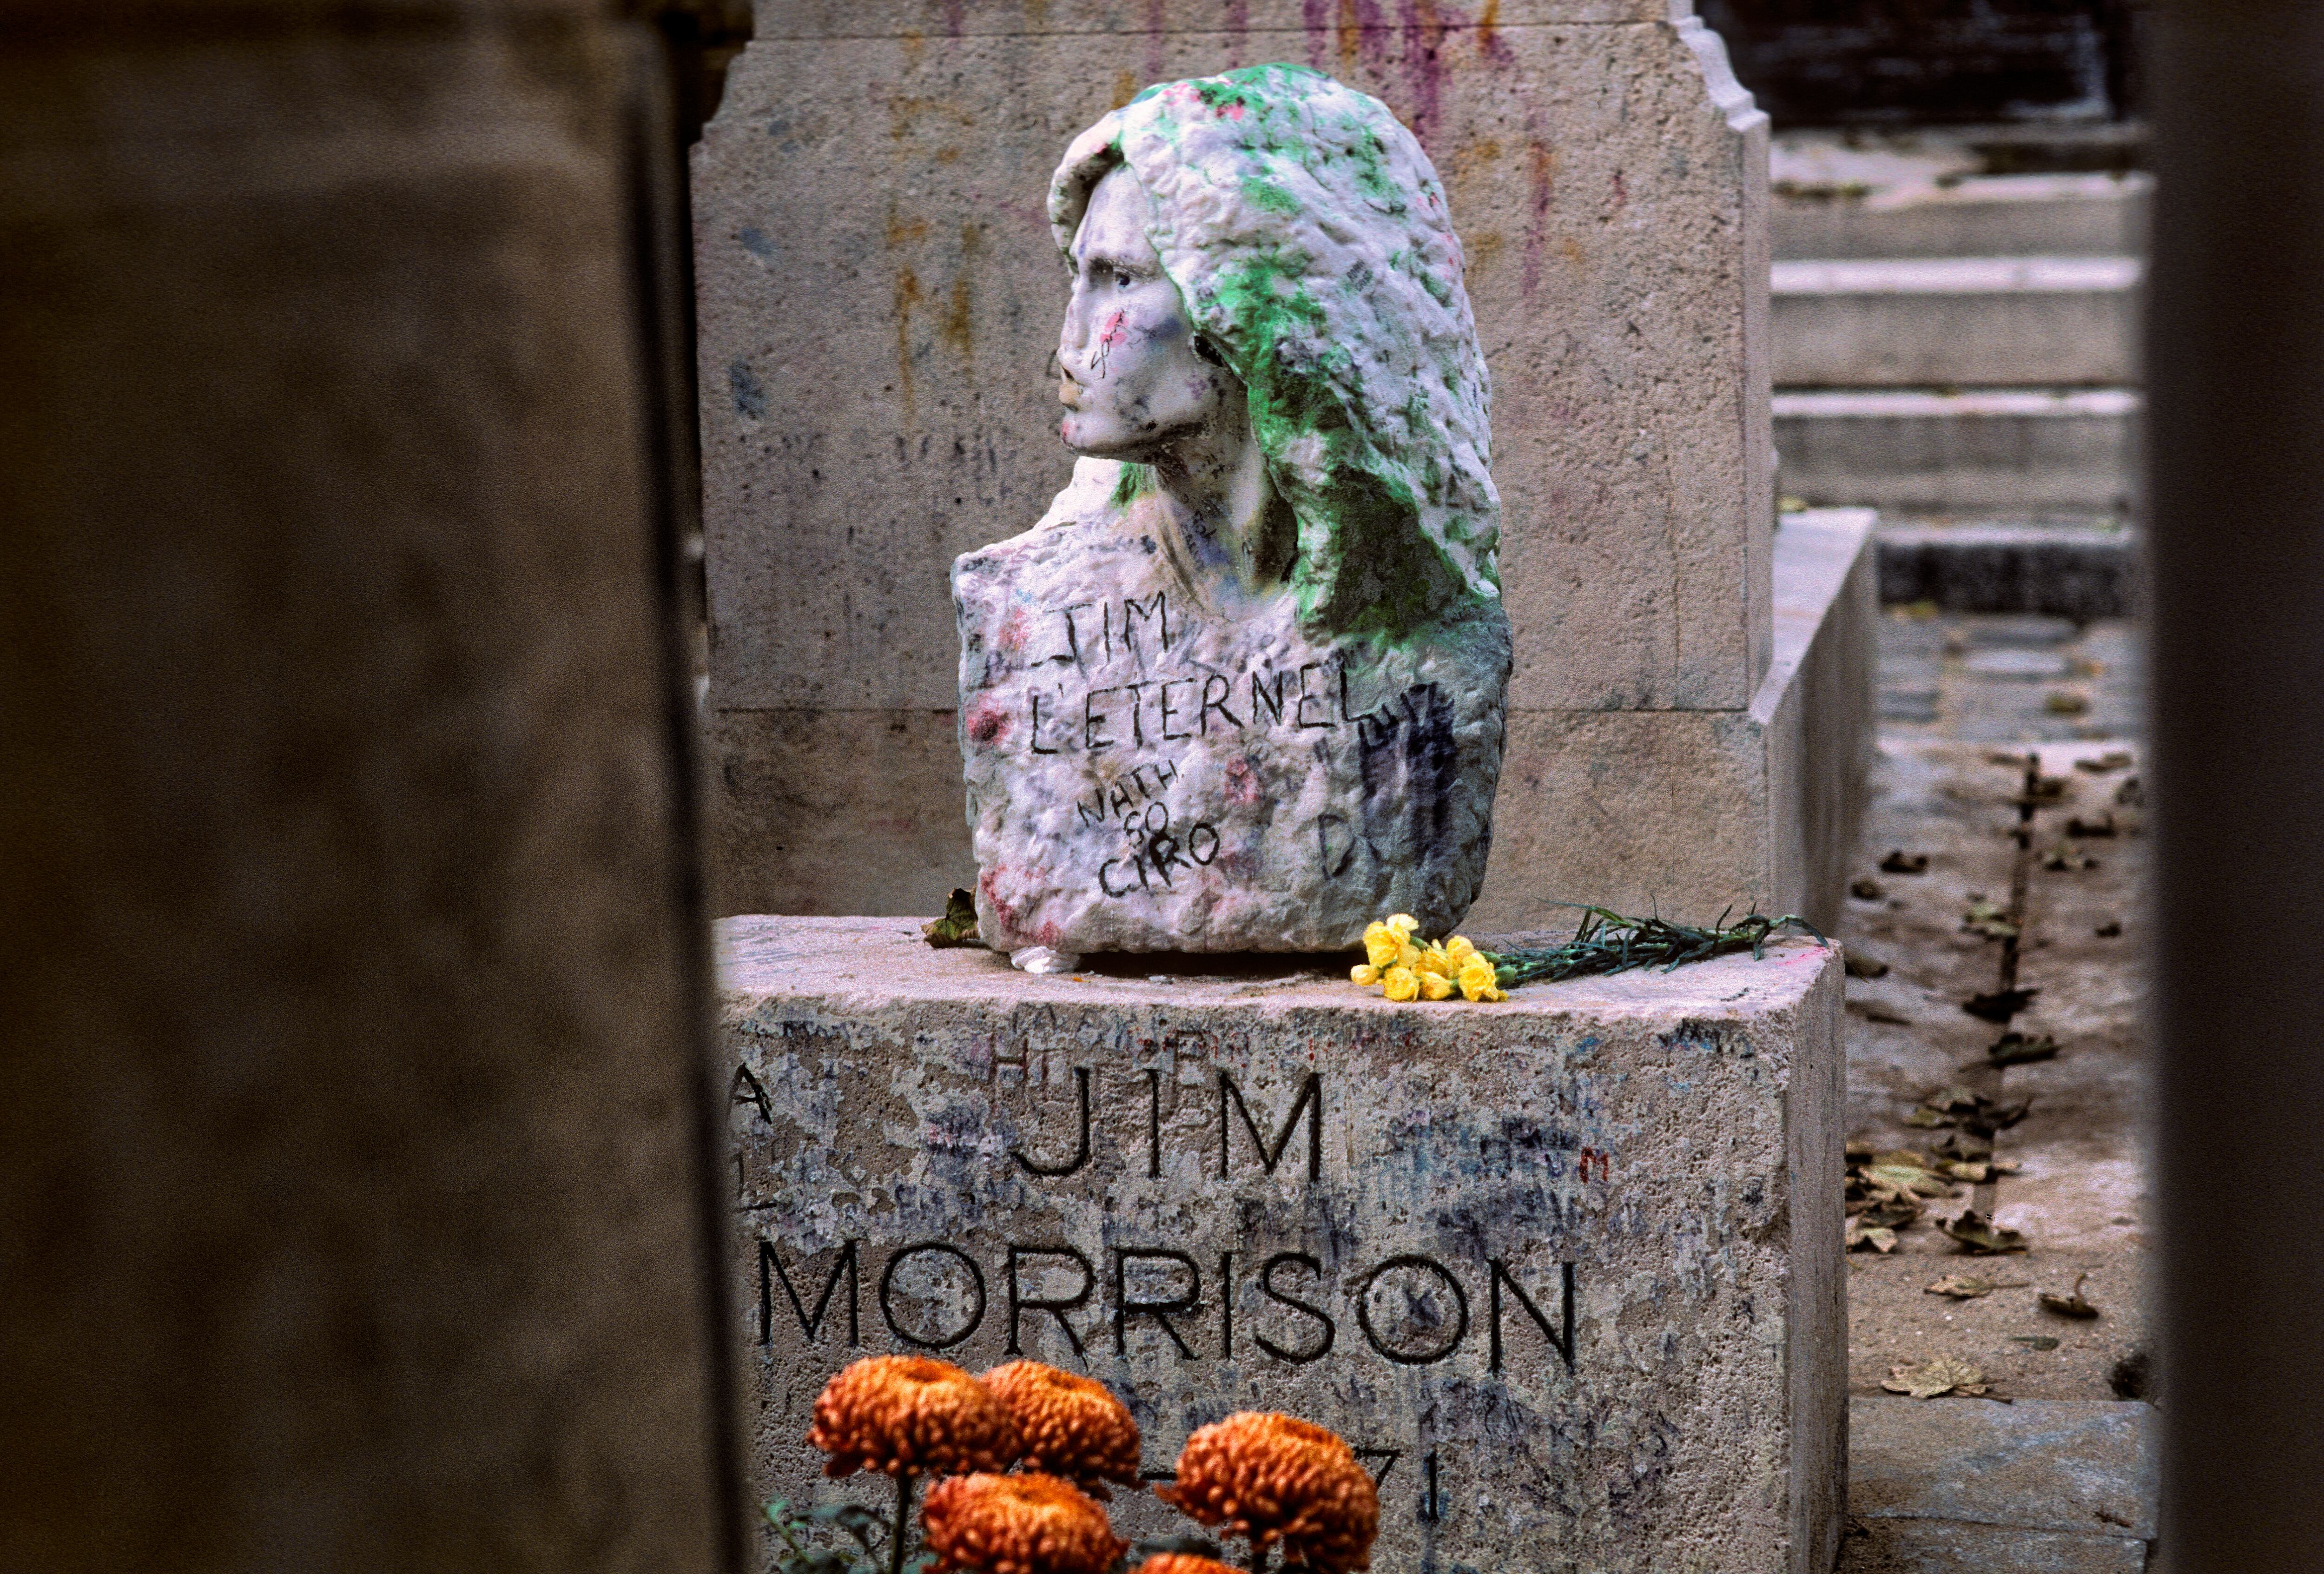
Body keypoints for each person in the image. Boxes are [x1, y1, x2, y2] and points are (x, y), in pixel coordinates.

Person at [954, 64, 1512, 955]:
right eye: (1078, 276)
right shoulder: (1025, 608)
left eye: (1119, 279)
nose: (1069, 342)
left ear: (1255, 310)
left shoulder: (1424, 638)